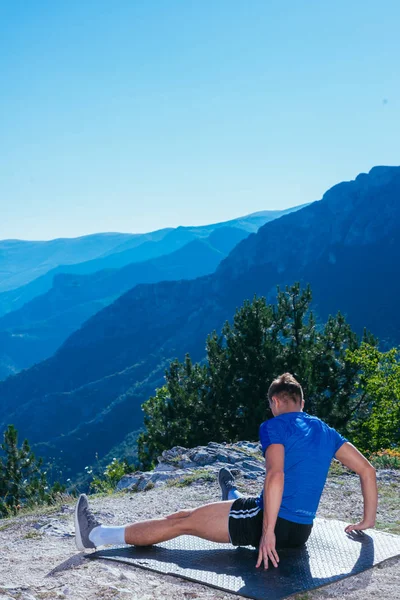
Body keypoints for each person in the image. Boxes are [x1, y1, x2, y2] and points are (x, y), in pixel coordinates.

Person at [74, 373, 378, 569]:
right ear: (302, 401)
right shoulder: (324, 431)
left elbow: (276, 475)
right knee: (205, 510)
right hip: (301, 532)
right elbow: (367, 470)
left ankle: (96, 535)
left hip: (268, 525)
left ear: (275, 401)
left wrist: (267, 534)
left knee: (183, 521)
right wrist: (367, 520)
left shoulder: (274, 426)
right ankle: (230, 494)